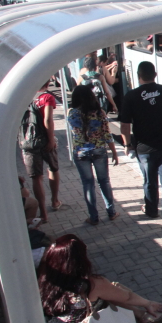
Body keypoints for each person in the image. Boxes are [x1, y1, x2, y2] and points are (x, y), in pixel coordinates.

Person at [119, 61, 162, 233]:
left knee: (149, 180)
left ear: (138, 76)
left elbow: (124, 125)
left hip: (144, 148)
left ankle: (151, 210)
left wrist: (127, 144)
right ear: (155, 75)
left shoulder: (131, 96)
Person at [68, 84, 120, 225]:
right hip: (99, 150)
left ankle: (93, 217)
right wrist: (114, 152)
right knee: (104, 181)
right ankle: (111, 212)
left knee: (88, 184)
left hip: (81, 152)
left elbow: (74, 132)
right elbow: (107, 134)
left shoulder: (72, 113)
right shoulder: (99, 112)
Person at [20, 82, 61, 223]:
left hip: (28, 143)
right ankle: (55, 201)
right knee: (53, 169)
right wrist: (51, 140)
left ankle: (43, 213)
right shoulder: (46, 98)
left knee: (36, 177)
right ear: (48, 83)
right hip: (44, 141)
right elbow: (48, 120)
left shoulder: (23, 97)